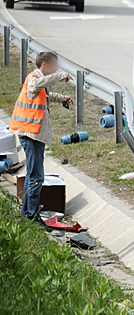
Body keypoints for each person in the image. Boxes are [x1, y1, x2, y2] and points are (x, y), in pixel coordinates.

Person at [9, 51, 74, 221]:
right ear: (45, 64)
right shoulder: (34, 78)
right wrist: (61, 76)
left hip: (34, 134)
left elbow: (44, 95)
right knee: (36, 176)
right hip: (30, 134)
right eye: (54, 65)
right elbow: (36, 86)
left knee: (33, 175)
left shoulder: (39, 81)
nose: (55, 69)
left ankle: (26, 213)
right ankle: (32, 215)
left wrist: (62, 98)